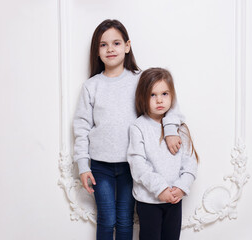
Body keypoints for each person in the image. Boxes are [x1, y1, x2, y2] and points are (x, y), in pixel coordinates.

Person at [73, 20, 183, 240]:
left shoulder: (140, 79)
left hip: (131, 165)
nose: (110, 48)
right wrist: (83, 165)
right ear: (97, 50)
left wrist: (170, 130)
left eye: (116, 43)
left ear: (127, 46)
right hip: (100, 166)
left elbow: (169, 102)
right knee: (106, 218)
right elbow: (82, 127)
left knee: (124, 219)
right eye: (103, 45)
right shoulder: (91, 86)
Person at [127, 68, 199, 240]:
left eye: (165, 93)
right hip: (149, 201)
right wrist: (160, 189)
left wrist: (181, 187)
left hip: (174, 200)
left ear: (172, 96)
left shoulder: (179, 128)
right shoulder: (138, 127)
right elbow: (138, 166)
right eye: (153, 95)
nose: (159, 100)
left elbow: (190, 162)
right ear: (143, 96)